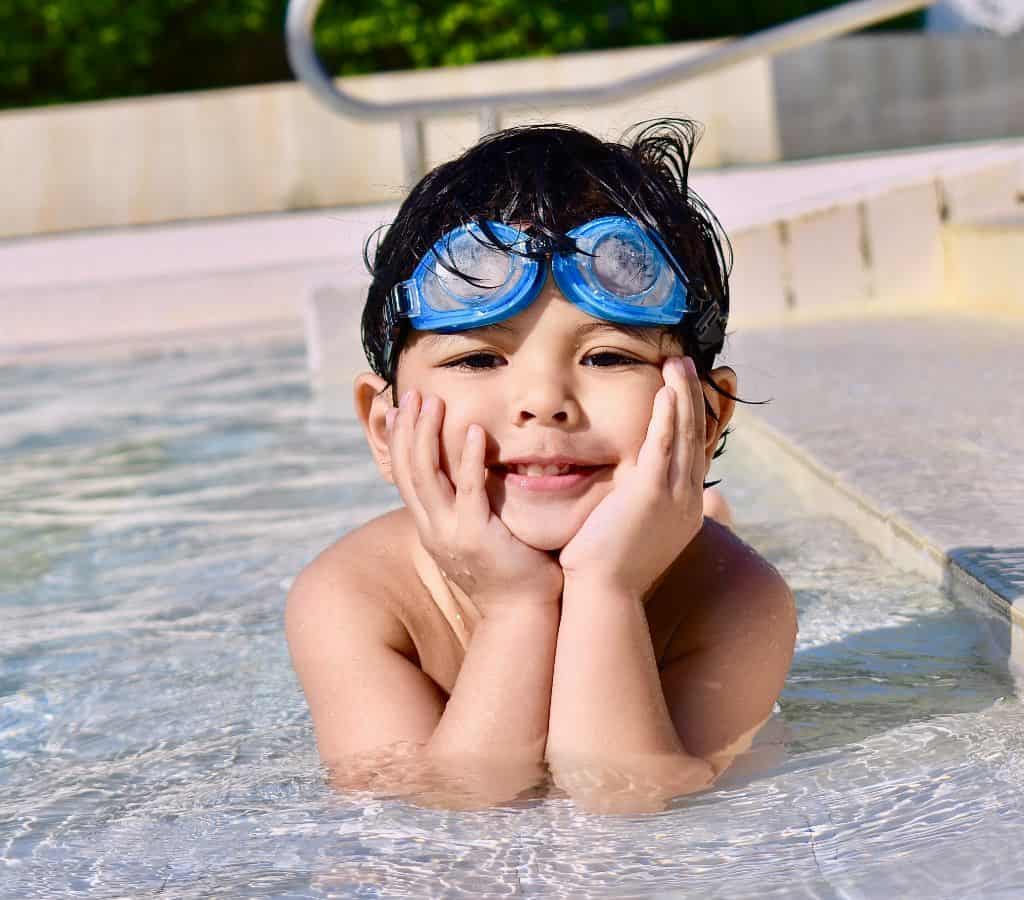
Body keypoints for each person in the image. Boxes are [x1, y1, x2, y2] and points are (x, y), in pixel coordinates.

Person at [285, 120, 797, 813]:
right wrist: (515, 608)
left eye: (609, 357)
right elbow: (439, 820)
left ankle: (705, 513)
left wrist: (607, 589)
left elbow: (626, 802)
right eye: (477, 358)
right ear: (385, 425)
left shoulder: (736, 598)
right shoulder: (356, 598)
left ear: (705, 420)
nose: (543, 403)